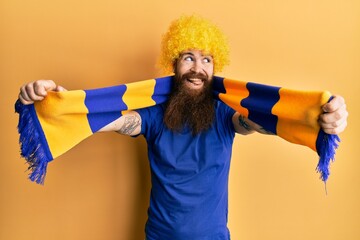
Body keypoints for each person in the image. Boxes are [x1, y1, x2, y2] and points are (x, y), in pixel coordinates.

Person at [18, 15, 348, 240]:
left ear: (214, 68)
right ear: (174, 64)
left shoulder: (226, 114)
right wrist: (53, 101)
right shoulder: (152, 115)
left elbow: (258, 122)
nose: (197, 68)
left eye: (206, 60)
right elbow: (112, 118)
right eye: (188, 57)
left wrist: (318, 117)